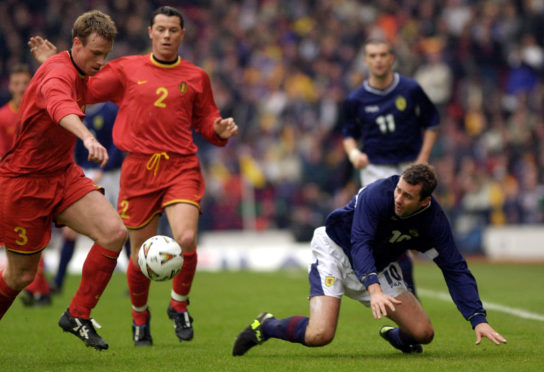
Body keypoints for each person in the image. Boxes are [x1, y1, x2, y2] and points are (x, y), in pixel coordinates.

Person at [30, 6, 238, 347]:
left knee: (185, 239)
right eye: (161, 29)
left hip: (181, 165)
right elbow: (84, 87)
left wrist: (219, 129)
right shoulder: (126, 69)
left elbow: (206, 119)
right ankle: (140, 318)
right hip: (139, 168)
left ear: (182, 35)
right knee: (140, 254)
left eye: (174, 30)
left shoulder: (197, 76)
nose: (167, 35)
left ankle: (179, 305)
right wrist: (55, 63)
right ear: (150, 33)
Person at [232, 163, 507, 356]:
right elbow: (360, 241)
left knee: (423, 334)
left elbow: (454, 267)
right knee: (320, 335)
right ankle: (266, 325)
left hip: (378, 264)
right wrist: (374, 289)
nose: (398, 198)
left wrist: (477, 318)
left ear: (424, 202)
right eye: (399, 189)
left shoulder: (433, 222)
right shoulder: (378, 193)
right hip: (336, 249)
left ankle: (394, 335)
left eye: (408, 196)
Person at [0, 11, 127, 351]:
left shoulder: (68, 64)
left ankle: (77, 315)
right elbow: (60, 105)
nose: (101, 62)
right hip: (24, 183)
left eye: (106, 54)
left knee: (114, 233)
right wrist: (87, 137)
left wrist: (49, 58)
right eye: (96, 53)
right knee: (20, 277)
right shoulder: (57, 74)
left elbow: (62, 70)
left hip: (62, 173)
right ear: (77, 43)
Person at [342, 39, 441, 296]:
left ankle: (405, 289)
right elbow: (348, 134)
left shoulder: (410, 89)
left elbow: (432, 121)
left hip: (409, 168)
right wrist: (354, 154)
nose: (378, 60)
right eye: (372, 55)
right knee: (384, 232)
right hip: (376, 170)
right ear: (366, 61)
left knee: (411, 231)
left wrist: (423, 157)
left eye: (383, 54)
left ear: (391, 58)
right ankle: (397, 291)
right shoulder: (356, 98)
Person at [50, 101, 126, 294]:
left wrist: (106, 168)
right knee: (70, 232)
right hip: (83, 173)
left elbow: (120, 141)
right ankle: (58, 282)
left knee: (122, 229)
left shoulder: (111, 110)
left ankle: (134, 283)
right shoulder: (76, 110)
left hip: (111, 174)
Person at [0, 64, 52, 306]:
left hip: (37, 183)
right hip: (10, 184)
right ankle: (37, 289)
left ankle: (37, 289)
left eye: (25, 83)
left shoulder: (38, 113)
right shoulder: (3, 117)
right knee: (20, 240)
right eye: (17, 83)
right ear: (10, 86)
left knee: (34, 237)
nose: (21, 88)